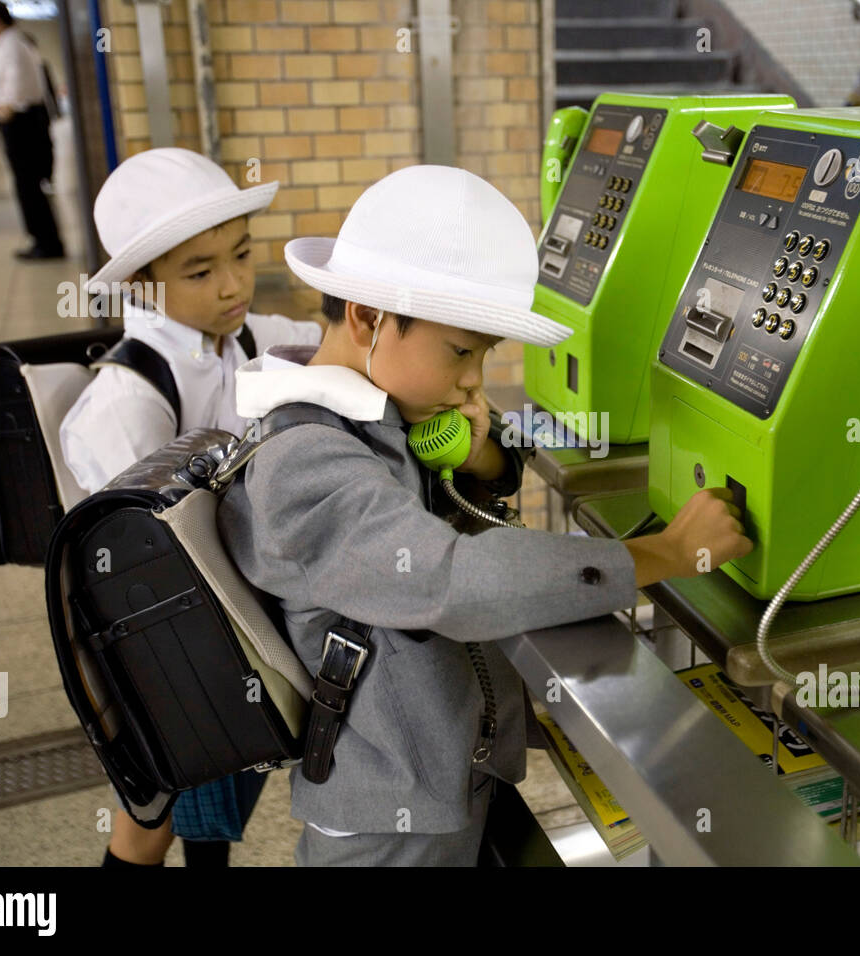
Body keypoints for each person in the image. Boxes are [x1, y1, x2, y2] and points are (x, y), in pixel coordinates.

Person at [217, 165, 753, 866]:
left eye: (485, 354)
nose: (474, 380)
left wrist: (485, 465)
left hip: (441, 779)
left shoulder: (374, 412)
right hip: (388, 817)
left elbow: (475, 478)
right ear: (367, 318)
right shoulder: (304, 464)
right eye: (462, 352)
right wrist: (663, 556)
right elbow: (453, 582)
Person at [60, 146, 323, 866]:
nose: (234, 284)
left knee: (209, 795)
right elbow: (129, 554)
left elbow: (333, 353)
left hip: (218, 627)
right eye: (200, 273)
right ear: (143, 284)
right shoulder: (130, 396)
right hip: (152, 641)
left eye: (241, 255)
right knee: (150, 821)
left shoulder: (249, 339)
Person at [0, 0, 63, 258]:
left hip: (21, 122)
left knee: (28, 184)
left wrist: (6, 110)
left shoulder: (12, 44)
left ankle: (46, 243)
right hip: (22, 120)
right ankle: (41, 239)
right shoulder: (8, 42)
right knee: (27, 184)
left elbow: (16, 86)